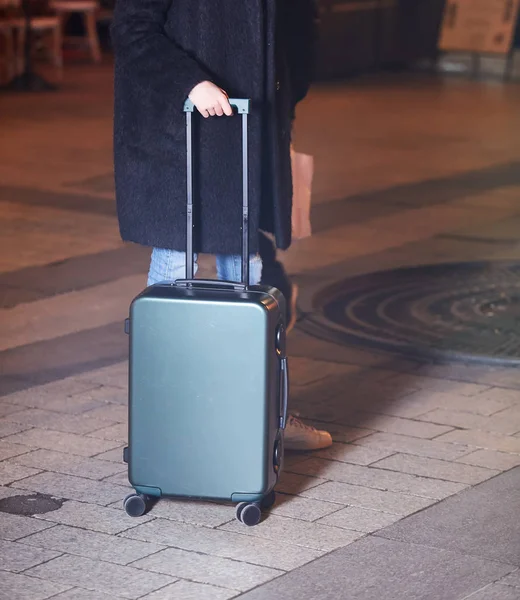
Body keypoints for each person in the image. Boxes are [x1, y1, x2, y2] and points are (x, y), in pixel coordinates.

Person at [111, 0, 332, 451]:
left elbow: (298, 21)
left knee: (248, 279)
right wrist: (189, 83)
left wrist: (287, 89)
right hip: (183, 131)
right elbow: (133, 29)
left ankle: (261, 416)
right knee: (175, 271)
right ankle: (163, 427)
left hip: (251, 125)